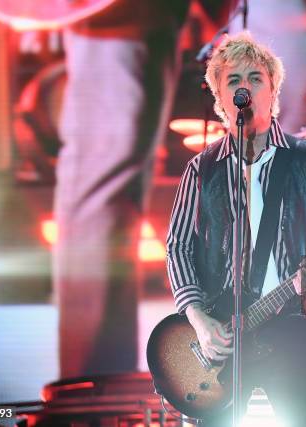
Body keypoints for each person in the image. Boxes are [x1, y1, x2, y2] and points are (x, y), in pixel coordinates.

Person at [166, 32, 306, 426]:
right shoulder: (202, 169)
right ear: (219, 95)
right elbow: (177, 246)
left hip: (287, 325)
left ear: (273, 88)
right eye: (233, 80)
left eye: (255, 78)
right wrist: (198, 318)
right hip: (222, 332)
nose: (244, 87)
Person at [53, 1, 197, 378]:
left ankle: (102, 387)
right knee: (108, 175)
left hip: (143, 16)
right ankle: (91, 394)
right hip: (120, 15)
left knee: (121, 179)